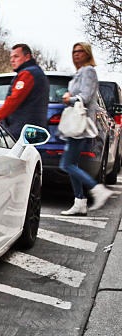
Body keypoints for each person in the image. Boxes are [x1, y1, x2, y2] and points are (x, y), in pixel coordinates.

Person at [59, 42, 113, 215]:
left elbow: (86, 96)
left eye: (80, 51)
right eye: (74, 51)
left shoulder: (89, 71)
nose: (76, 54)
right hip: (75, 124)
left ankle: (98, 190)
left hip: (80, 123)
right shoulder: (79, 72)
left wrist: (69, 99)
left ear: (88, 53)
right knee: (72, 163)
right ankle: (80, 202)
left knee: (67, 164)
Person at [0, 44, 50, 138]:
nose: (12, 60)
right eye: (11, 57)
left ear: (27, 57)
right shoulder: (37, 72)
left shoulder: (27, 74)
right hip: (33, 129)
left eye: (16, 56)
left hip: (23, 130)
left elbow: (13, 101)